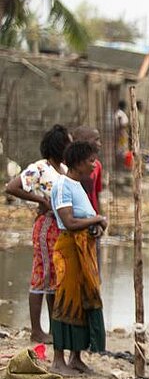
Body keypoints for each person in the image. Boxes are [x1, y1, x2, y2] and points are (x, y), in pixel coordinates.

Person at [4, 125, 71, 344]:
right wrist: (41, 201)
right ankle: (36, 330)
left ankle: (52, 328)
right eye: (67, 143)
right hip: (45, 227)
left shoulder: (62, 169)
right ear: (58, 146)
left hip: (59, 228)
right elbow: (12, 187)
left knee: (52, 276)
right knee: (41, 275)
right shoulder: (40, 168)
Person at [50, 141, 109, 374]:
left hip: (84, 249)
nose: (94, 164)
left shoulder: (78, 186)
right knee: (67, 301)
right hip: (69, 250)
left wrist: (96, 225)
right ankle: (58, 360)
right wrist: (97, 220)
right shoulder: (63, 185)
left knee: (84, 300)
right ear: (78, 163)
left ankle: (76, 357)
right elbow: (70, 222)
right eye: (90, 160)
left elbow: (87, 218)